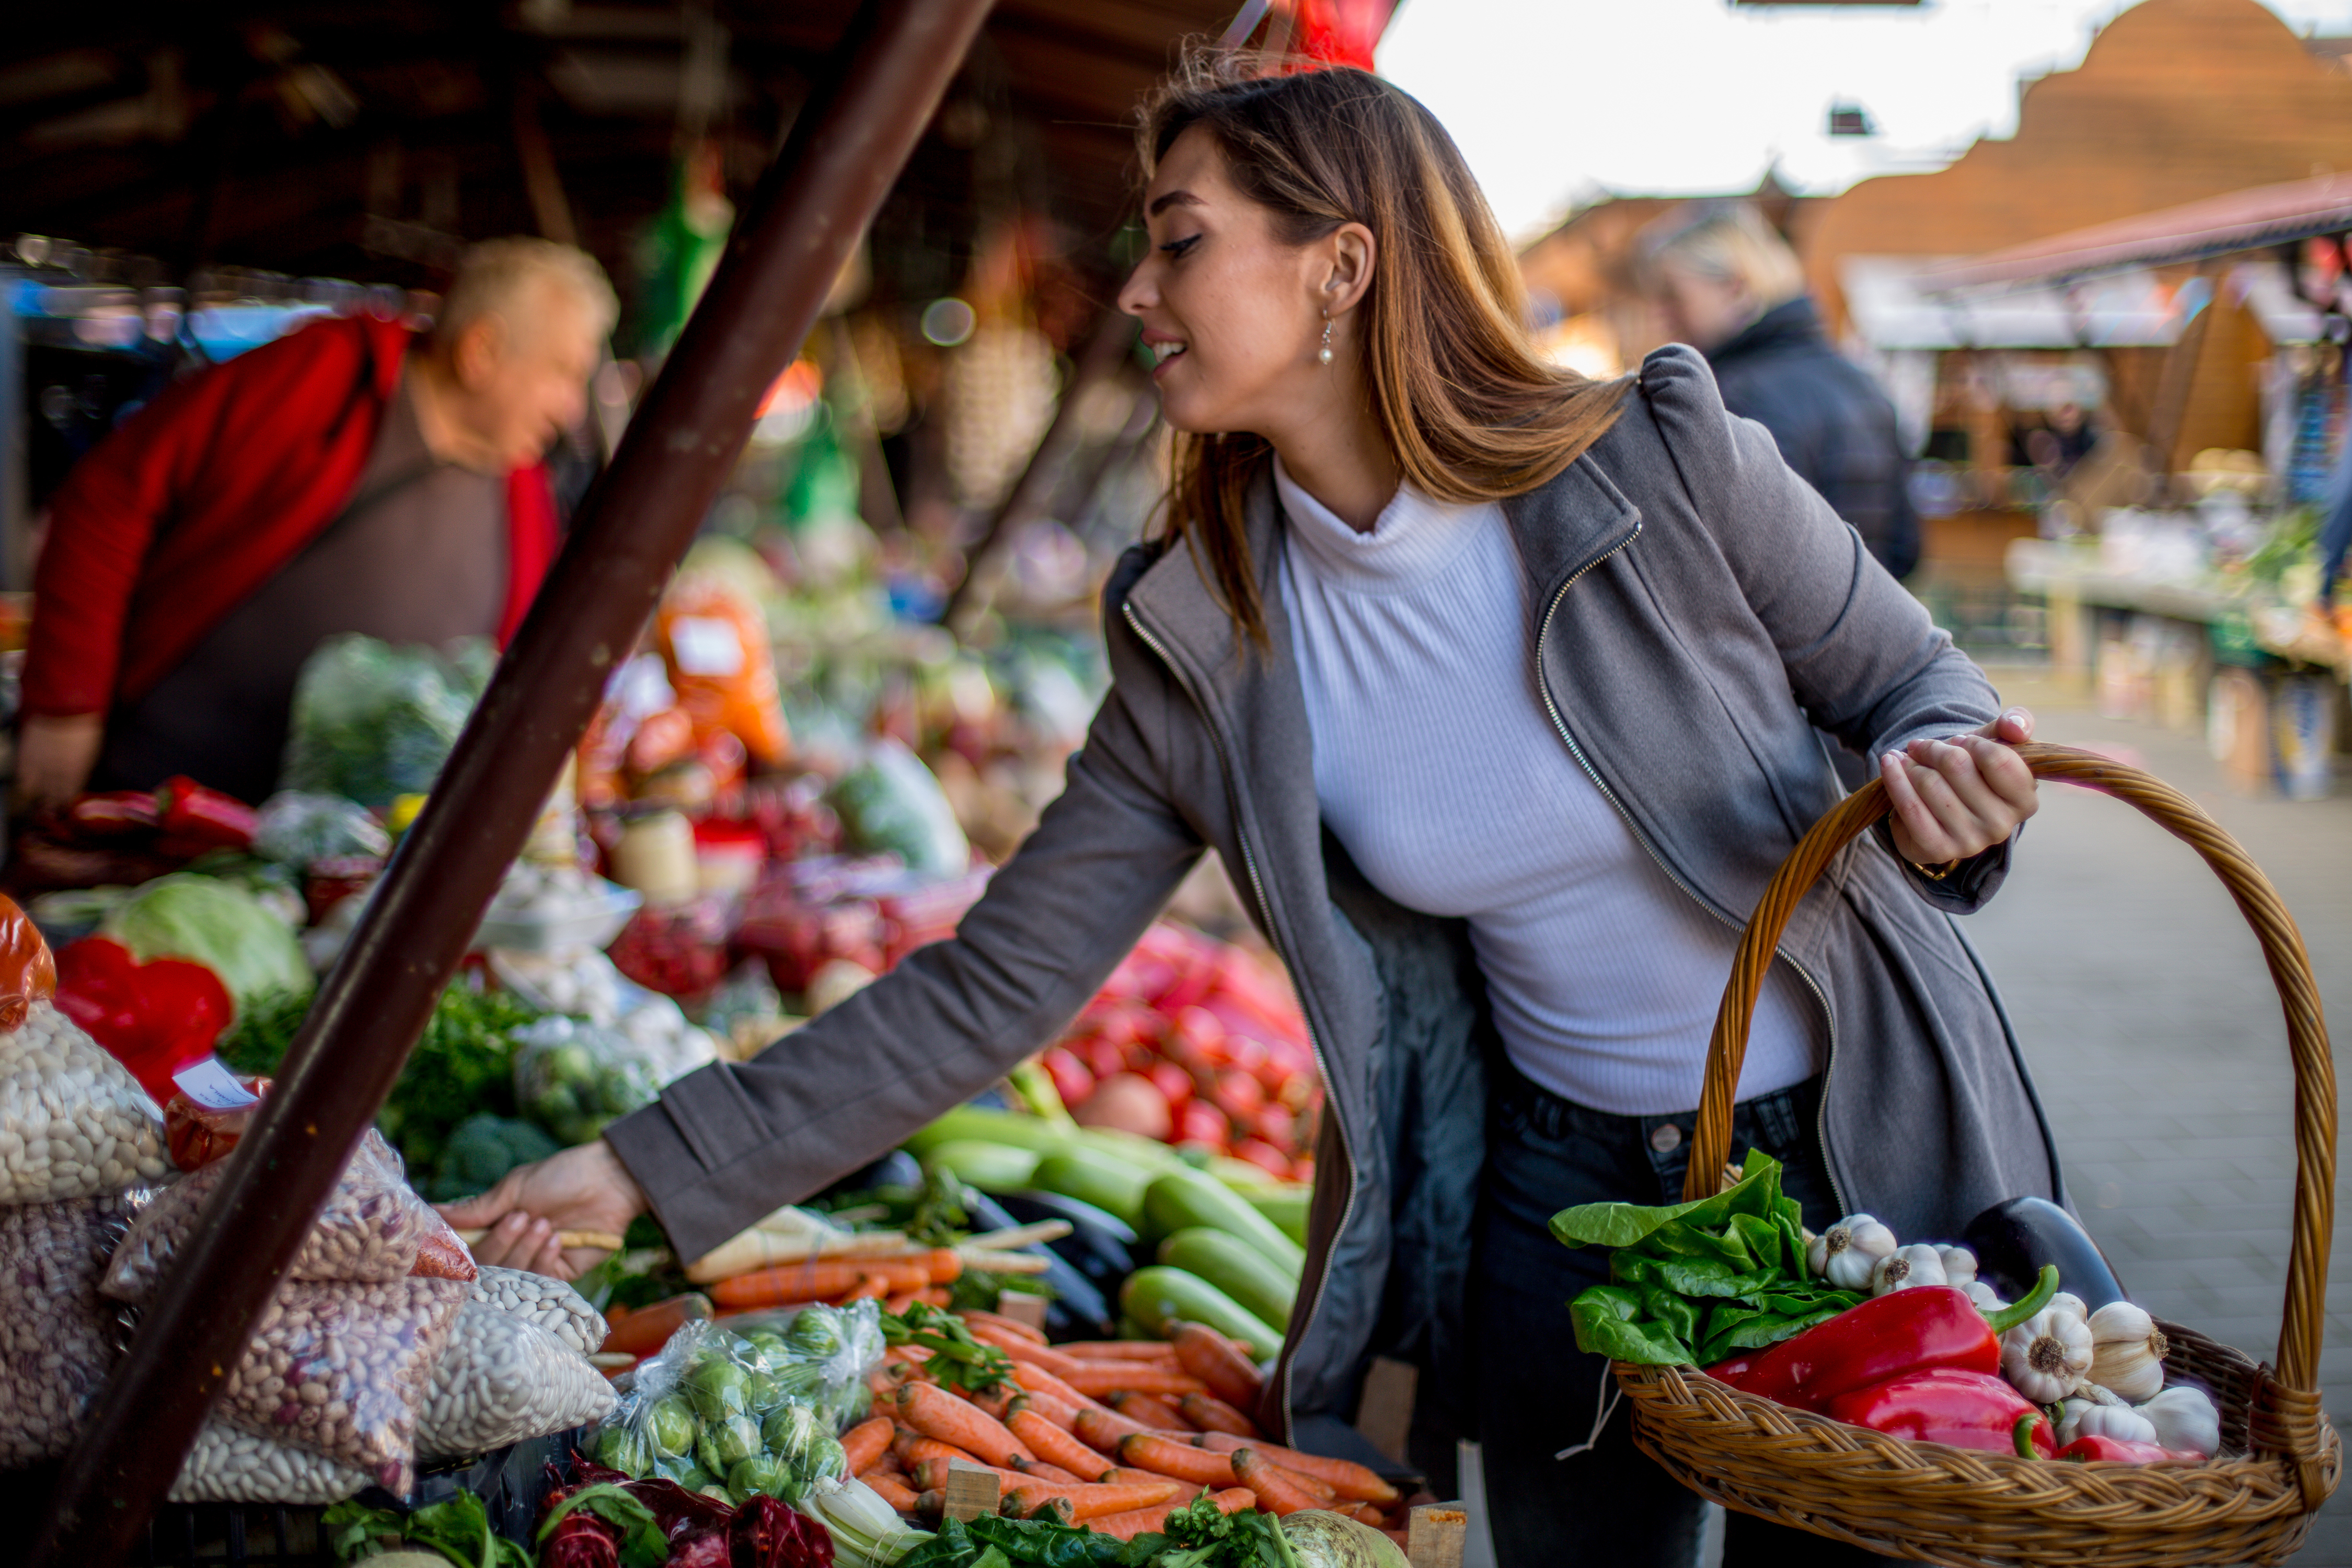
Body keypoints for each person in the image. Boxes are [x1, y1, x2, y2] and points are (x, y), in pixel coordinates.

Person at [446, 59, 2054, 1567]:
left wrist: (1949, 783)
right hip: (1562, 1199)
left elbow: (1918, 683)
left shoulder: (1658, 460)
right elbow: (996, 983)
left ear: (1341, 267)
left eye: (1181, 241)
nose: (1135, 291)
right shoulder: (1200, 632)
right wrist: (645, 1169)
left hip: (1845, 1163)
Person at [16, 238, 616, 806]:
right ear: (480, 351)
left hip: (357, 855)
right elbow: (110, 495)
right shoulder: (326, 375)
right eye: (561, 371)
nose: (571, 409)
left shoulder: (525, 493)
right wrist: (66, 707)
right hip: (160, 799)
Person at [1644, 202, 1920, 579]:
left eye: (1673, 296)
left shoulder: (1726, 397)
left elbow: (1737, 566)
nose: (1660, 314)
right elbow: (1906, 548)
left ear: (1735, 288)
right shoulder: (1864, 384)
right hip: (1867, 611)